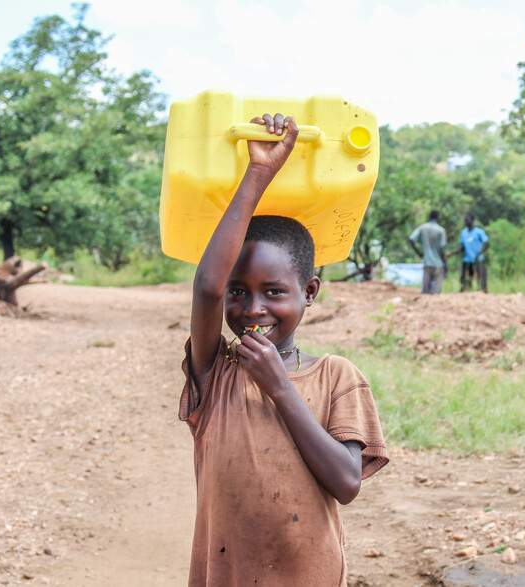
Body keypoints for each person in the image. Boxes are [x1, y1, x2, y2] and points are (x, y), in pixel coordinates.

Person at [180, 113, 389, 586]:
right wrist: (259, 172)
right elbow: (207, 288)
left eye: (273, 292)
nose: (253, 308)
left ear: (309, 292)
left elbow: (347, 483)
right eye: (238, 292)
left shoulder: (337, 376)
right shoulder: (215, 371)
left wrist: (279, 387)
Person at [408, 209, 448, 294]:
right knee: (435, 291)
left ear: (429, 217)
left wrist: (419, 253)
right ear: (438, 218)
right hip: (437, 263)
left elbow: (411, 239)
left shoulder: (422, 228)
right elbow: (442, 249)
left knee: (425, 290)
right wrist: (445, 263)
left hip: (426, 261)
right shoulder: (441, 230)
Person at [448, 212, 490, 293]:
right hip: (467, 259)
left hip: (478, 260)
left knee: (481, 278)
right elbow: (462, 248)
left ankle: (484, 291)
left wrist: (480, 254)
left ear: (472, 220)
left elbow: (487, 244)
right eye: (465, 220)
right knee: (464, 278)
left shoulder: (479, 232)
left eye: (467, 220)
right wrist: (452, 252)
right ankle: (464, 291)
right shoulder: (463, 232)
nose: (465, 222)